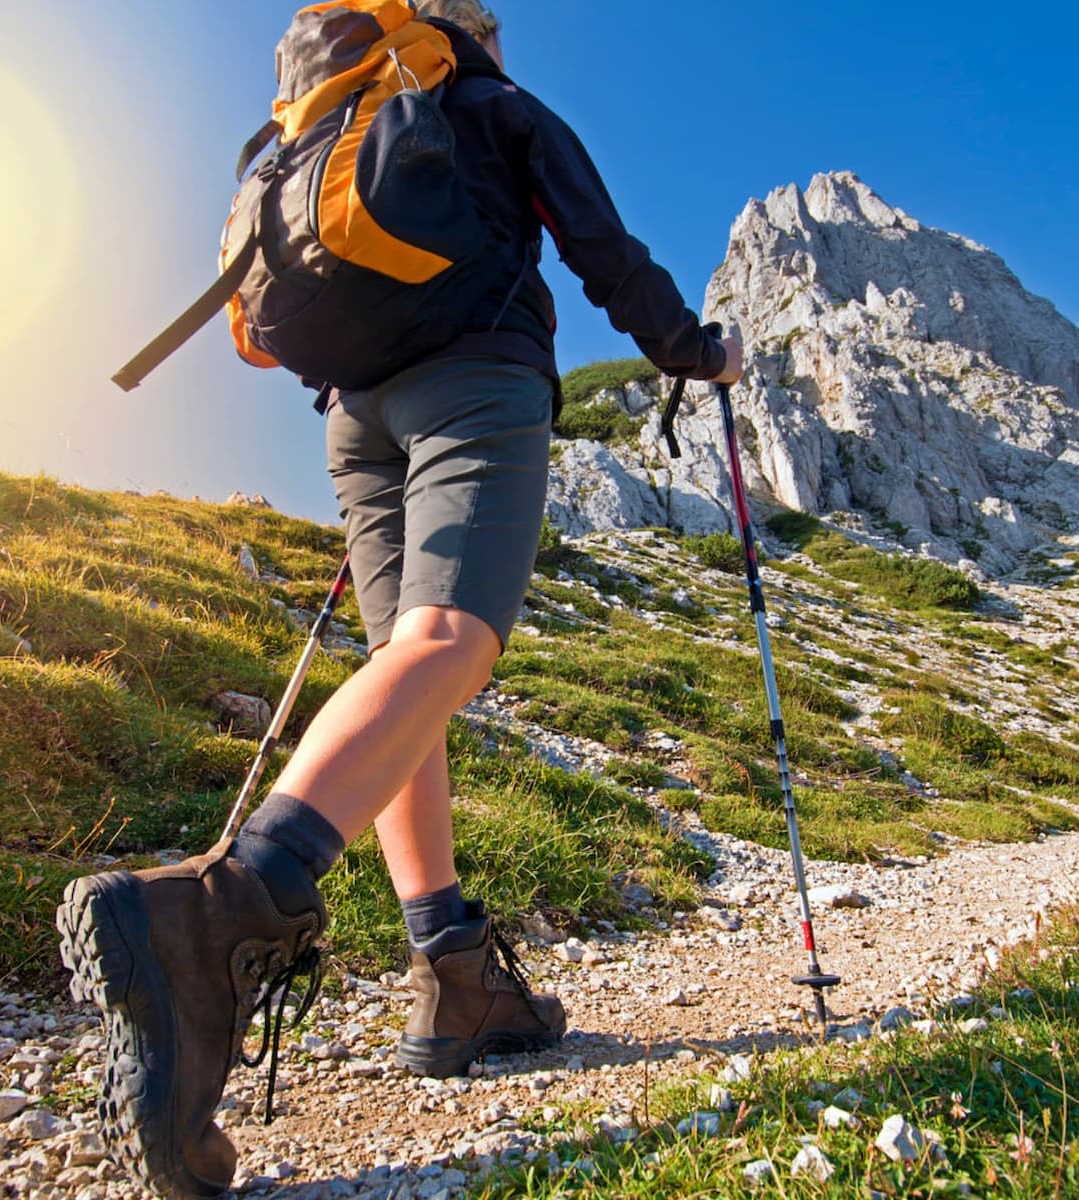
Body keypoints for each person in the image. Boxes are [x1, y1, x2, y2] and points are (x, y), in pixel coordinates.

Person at [57, 2, 745, 1195]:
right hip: (475, 381)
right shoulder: (488, 102)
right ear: (465, 27)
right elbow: (606, 256)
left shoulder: (306, 138)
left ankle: (452, 976)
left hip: (353, 418)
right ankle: (223, 907)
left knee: (402, 671)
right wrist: (695, 351)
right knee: (449, 643)